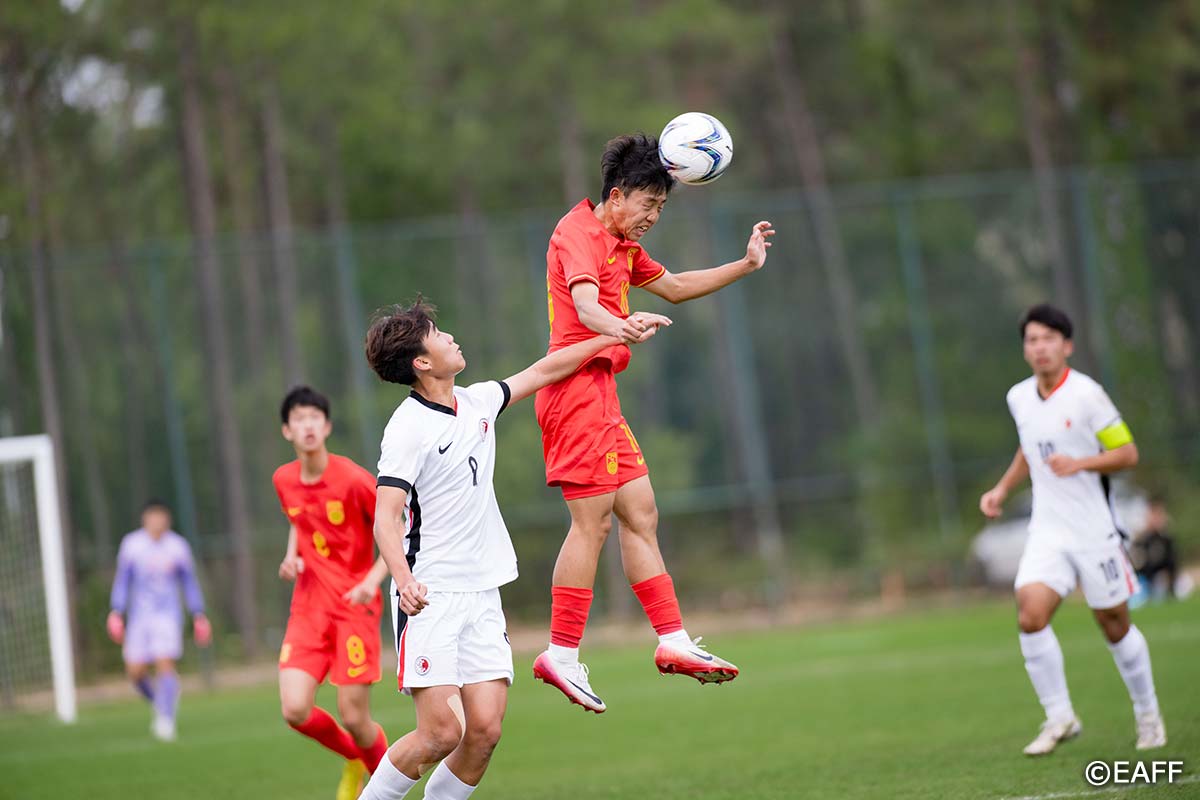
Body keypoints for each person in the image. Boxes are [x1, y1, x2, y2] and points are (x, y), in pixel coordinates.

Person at [357, 298, 665, 800]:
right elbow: (385, 517)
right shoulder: (407, 428)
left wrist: (615, 333)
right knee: (441, 733)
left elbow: (545, 370)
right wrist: (404, 579)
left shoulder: (478, 402)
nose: (450, 336)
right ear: (422, 362)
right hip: (431, 596)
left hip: (483, 593)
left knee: (484, 733)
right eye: (438, 334)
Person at [532, 132, 775, 712]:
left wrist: (745, 264)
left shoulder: (622, 244)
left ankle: (672, 639)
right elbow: (585, 304)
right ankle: (560, 653)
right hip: (572, 392)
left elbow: (675, 287)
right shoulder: (578, 233)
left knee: (641, 513)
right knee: (591, 525)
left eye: (662, 207)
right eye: (648, 204)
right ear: (617, 195)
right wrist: (619, 326)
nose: (653, 217)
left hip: (600, 393)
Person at [979, 303, 1166, 755]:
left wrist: (1080, 463)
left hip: (1094, 530)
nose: (1040, 347)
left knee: (1113, 624)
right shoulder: (1019, 397)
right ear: (1025, 349)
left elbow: (1127, 453)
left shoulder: (1087, 395)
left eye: (1049, 339)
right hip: (1047, 530)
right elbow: (1029, 448)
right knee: (1030, 615)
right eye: (1032, 340)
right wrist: (1002, 489)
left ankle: (1148, 716)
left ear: (1067, 346)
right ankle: (1060, 716)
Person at [273, 386, 392, 800]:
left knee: (355, 717)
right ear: (287, 430)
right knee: (294, 709)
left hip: (354, 607)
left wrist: (372, 580)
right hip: (308, 608)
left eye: (314, 418)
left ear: (326, 427)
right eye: (299, 419)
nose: (307, 426)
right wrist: (292, 556)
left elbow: (395, 529)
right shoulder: (283, 480)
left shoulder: (354, 480)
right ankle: (357, 759)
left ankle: (386, 788)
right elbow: (299, 519)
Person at [107, 499, 211, 741]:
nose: (158, 522)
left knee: (165, 664)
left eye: (162, 517)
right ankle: (161, 701)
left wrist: (198, 614)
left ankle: (166, 719)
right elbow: (123, 580)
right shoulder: (132, 545)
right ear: (145, 519)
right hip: (139, 617)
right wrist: (116, 611)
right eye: (153, 517)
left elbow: (189, 582)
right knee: (135, 671)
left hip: (167, 616)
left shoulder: (177, 547)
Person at [1130, 497, 1179, 602]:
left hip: (1162, 571)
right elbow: (1138, 561)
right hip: (1146, 573)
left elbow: (1171, 559)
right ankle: (1151, 593)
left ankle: (1169, 591)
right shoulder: (1143, 538)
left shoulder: (1165, 538)